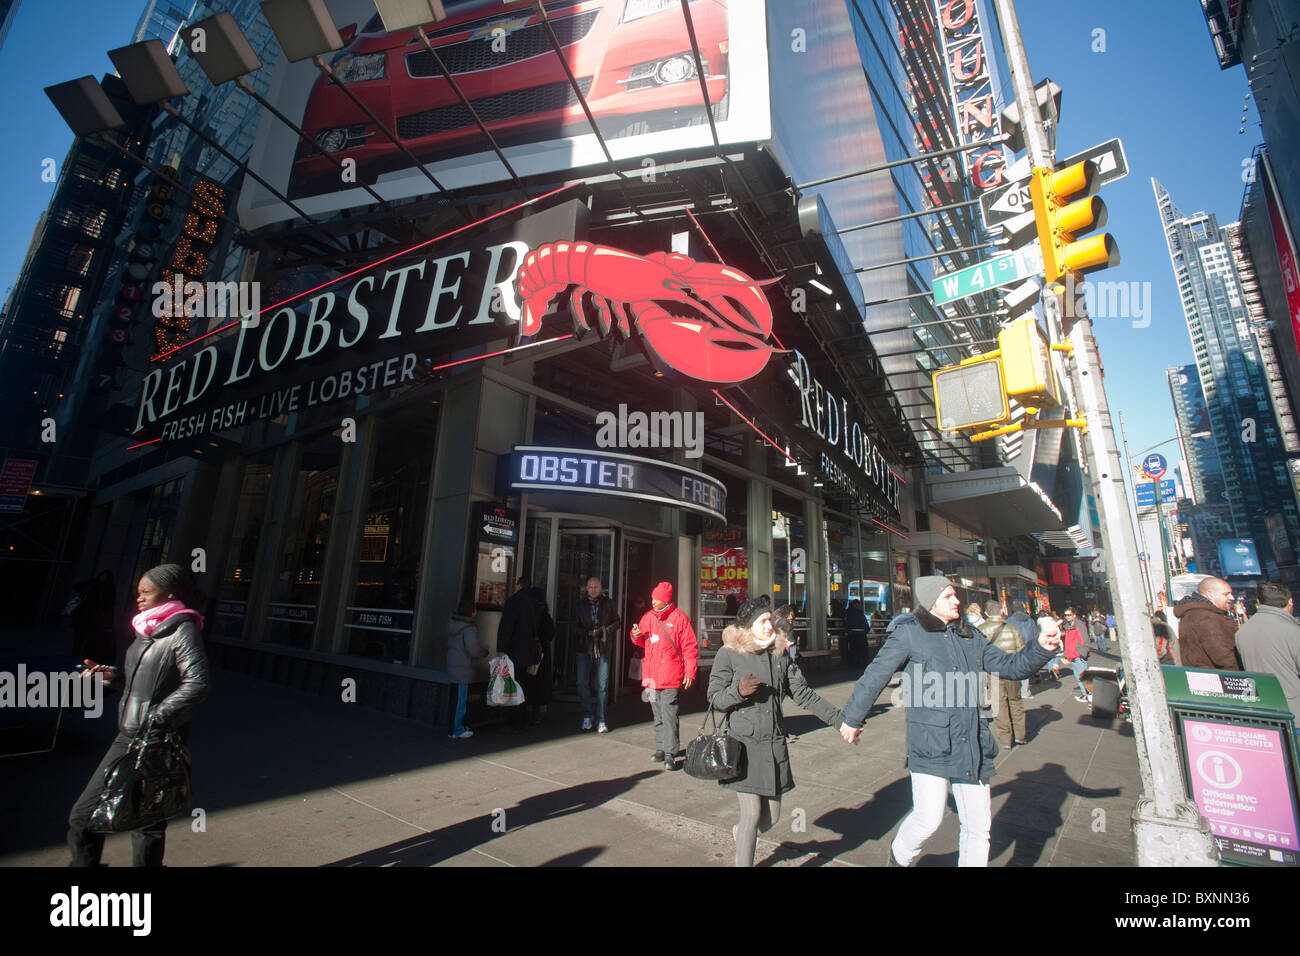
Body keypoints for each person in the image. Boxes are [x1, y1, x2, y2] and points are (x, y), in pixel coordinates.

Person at [839, 575, 1060, 867]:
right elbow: (875, 676)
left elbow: (1011, 666)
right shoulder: (909, 633)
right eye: (948, 596)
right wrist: (853, 718)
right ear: (931, 602)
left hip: (973, 743)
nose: (957, 601)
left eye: (955, 595)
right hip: (932, 743)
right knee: (929, 819)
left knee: (978, 828)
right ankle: (900, 856)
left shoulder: (971, 635)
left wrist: (1042, 647)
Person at [68, 564, 210, 867]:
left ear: (169, 592)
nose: (139, 598)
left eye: (146, 592)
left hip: (153, 737)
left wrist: (157, 715)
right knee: (144, 820)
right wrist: (112, 677)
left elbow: (198, 682)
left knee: (92, 816)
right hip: (132, 732)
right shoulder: (148, 629)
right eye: (138, 593)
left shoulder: (181, 628)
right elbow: (144, 681)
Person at [709, 597, 841, 867]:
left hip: (773, 745)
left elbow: (803, 695)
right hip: (743, 746)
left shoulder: (779, 654)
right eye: (763, 621)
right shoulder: (729, 653)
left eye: (770, 619)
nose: (770, 625)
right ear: (748, 627)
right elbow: (714, 698)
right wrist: (738, 691)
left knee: (772, 817)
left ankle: (743, 834)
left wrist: (840, 720)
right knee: (752, 813)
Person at [630, 582, 698, 770]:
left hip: (670, 676)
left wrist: (689, 672)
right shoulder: (648, 617)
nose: (652, 601)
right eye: (652, 598)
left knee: (669, 713)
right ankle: (660, 747)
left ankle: (670, 751)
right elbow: (640, 641)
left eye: (656, 599)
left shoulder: (680, 619)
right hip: (651, 676)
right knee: (657, 713)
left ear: (665, 600)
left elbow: (689, 647)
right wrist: (635, 635)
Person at [1235, 581, 1300, 723]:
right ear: (1290, 602)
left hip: (1263, 709)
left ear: (1259, 602)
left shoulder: (1242, 631)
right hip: (1294, 711)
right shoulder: (1293, 631)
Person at [573, 576, 620, 733]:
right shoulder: (580, 605)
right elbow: (574, 626)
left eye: (596, 587)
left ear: (601, 588)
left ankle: (601, 719)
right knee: (581, 682)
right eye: (590, 587)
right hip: (584, 647)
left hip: (603, 647)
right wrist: (587, 633)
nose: (593, 589)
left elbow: (617, 622)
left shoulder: (608, 603)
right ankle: (587, 714)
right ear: (586, 588)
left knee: (602, 685)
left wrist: (605, 631)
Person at [495, 578, 541, 732]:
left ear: (518, 586)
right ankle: (525, 717)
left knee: (513, 683)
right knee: (525, 684)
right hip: (530, 651)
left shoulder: (514, 601)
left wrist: (502, 648)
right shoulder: (535, 602)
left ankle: (514, 719)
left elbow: (506, 626)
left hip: (515, 650)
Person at [979, 600, 1027, 749]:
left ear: (986, 613)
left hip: (993, 672)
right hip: (1012, 670)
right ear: (1001, 611)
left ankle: (1005, 738)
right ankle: (1020, 735)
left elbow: (978, 653)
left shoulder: (980, 629)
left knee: (998, 704)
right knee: (1016, 702)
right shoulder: (1013, 629)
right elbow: (1021, 651)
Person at [1173, 577, 1240, 671]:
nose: (1232, 597)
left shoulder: (1196, 614)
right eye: (1226, 594)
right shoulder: (1206, 618)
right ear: (1210, 594)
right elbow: (1223, 657)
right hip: (1220, 679)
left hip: (1204, 677)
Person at [446, 600, 487, 739]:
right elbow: (473, 649)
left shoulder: (453, 624)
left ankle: (453, 727)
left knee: (454, 699)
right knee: (460, 701)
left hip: (453, 665)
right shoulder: (469, 628)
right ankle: (457, 730)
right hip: (463, 668)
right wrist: (484, 652)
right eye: (475, 609)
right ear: (472, 611)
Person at [1007, 600, 1038, 699]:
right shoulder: (1029, 620)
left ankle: (1016, 691)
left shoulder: (1009, 621)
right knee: (1025, 669)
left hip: (1014, 647)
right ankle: (1025, 691)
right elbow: (1035, 635)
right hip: (1028, 647)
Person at [1062, 608, 1092, 703]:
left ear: (1074, 615)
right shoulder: (1068, 626)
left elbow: (1085, 639)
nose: (1067, 617)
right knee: (1078, 676)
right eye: (1066, 615)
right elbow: (1068, 642)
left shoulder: (1078, 624)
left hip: (1078, 655)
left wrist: (1082, 653)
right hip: (1073, 655)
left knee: (1083, 676)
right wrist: (1067, 654)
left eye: (1069, 615)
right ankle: (1085, 694)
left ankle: (1087, 695)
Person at [843, 599, 868, 668]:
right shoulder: (860, 613)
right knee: (862, 649)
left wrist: (847, 631)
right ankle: (862, 663)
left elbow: (846, 623)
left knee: (853, 649)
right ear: (856, 605)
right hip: (861, 634)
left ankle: (854, 663)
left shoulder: (848, 613)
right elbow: (865, 625)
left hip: (852, 634)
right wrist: (866, 630)